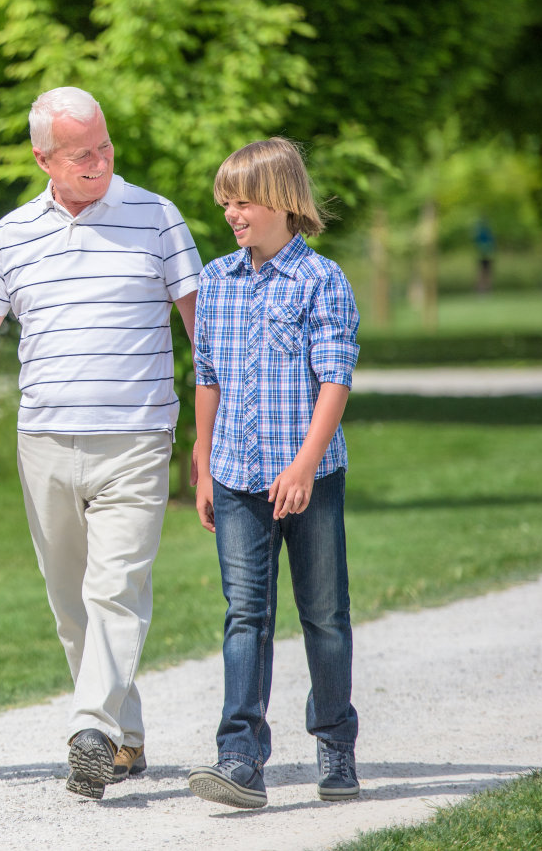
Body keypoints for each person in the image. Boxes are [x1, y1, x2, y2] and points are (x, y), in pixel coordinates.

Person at [0, 86, 201, 800]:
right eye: (81, 153)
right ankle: (129, 738)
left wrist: (218, 434)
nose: (99, 161)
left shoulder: (158, 217)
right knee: (71, 603)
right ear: (43, 158)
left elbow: (203, 330)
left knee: (116, 588)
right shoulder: (11, 234)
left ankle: (91, 731)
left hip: (138, 437)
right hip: (44, 443)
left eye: (105, 146)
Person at [187, 137, 361, 810]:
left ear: (285, 203)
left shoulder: (322, 280)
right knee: (245, 615)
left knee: (323, 615)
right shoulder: (215, 280)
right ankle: (240, 758)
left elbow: (334, 379)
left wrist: (305, 464)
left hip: (310, 477)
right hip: (235, 475)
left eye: (245, 201)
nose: (233, 213)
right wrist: (202, 463)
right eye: (226, 202)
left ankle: (336, 740)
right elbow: (207, 377)